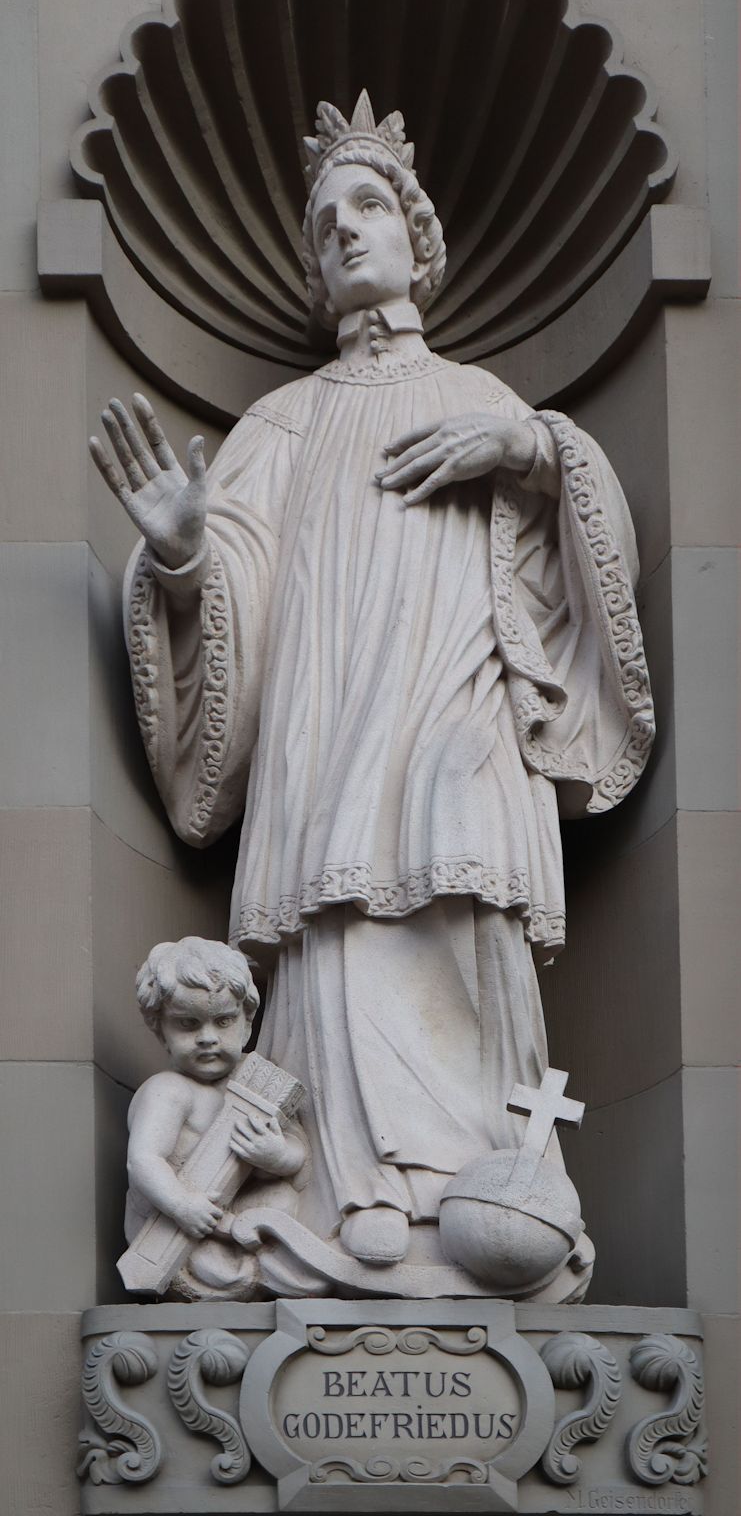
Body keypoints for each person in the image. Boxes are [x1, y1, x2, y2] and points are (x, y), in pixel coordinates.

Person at [91, 94, 654, 1289]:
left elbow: (583, 573)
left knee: (460, 889)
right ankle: (357, 1187)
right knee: (343, 930)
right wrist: (186, 552)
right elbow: (227, 583)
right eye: (323, 220)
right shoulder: (280, 422)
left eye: (368, 205)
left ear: (417, 235)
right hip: (328, 725)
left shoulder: (492, 398)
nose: (346, 230)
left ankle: (483, 1184)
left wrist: (538, 453)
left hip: (460, 703)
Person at [125, 936, 306, 1295]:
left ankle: (261, 1268)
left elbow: (299, 1154)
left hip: (234, 1218)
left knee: (283, 1199)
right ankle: (238, 1275)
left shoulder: (256, 1083)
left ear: (248, 1023)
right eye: (188, 1024)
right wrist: (181, 1204)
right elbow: (144, 1160)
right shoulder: (168, 1090)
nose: (208, 1038)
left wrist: (277, 1155)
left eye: (223, 1021)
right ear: (161, 1029)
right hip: (179, 1228)